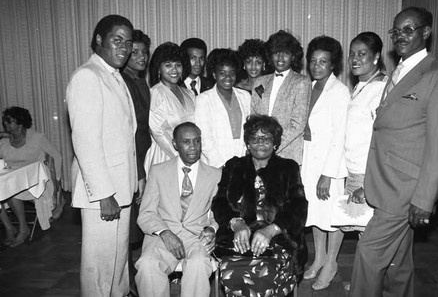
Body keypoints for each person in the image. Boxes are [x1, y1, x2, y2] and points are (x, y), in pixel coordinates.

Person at [349, 7, 438, 297]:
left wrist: (424, 199)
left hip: (405, 189)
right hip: (384, 181)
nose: (400, 36)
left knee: (368, 253)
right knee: (398, 262)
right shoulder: (398, 71)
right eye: (396, 30)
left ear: (425, 33)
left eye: (408, 29)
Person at [66, 14, 137, 296]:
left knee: (118, 265)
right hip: (103, 194)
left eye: (128, 42)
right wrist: (104, 193)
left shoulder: (114, 76)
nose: (124, 48)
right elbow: (85, 141)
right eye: (116, 40)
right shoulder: (87, 76)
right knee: (100, 267)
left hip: (121, 187)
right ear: (98, 40)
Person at [211, 114, 308, 297]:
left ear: (275, 143)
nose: (260, 142)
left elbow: (298, 206)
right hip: (239, 242)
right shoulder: (234, 167)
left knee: (262, 274)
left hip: (279, 240)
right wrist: (237, 223)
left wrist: (271, 230)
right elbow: (219, 202)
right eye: (255, 138)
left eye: (267, 138)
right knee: (235, 274)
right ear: (247, 143)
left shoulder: (288, 168)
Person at [135, 122, 221, 297]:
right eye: (187, 142)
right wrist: (165, 233)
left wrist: (211, 229)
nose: (193, 148)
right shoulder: (158, 171)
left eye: (197, 141)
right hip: (163, 237)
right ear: (175, 144)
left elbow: (219, 214)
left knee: (198, 264)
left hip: (197, 238)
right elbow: (146, 213)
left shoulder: (215, 175)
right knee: (147, 265)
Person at [301, 36, 350, 290]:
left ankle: (331, 262)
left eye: (323, 62)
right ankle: (319, 256)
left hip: (329, 163)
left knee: (332, 214)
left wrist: (328, 174)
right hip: (309, 158)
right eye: (313, 61)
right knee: (315, 212)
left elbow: (340, 136)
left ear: (333, 65)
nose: (317, 66)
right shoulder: (308, 86)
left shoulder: (340, 92)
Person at [0, 106, 62, 247]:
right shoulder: (3, 143)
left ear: (20, 123)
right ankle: (9, 228)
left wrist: (57, 181)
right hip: (14, 179)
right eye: (5, 122)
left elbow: (57, 156)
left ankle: (23, 229)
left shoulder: (37, 138)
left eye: (10, 121)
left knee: (11, 192)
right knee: (6, 188)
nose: (6, 124)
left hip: (37, 180)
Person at [343, 32, 387, 229]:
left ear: (376, 57)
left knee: (368, 230)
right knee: (359, 227)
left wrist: (368, 183)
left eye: (362, 54)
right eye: (352, 54)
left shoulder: (381, 89)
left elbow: (383, 138)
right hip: (354, 170)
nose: (355, 59)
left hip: (367, 173)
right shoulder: (361, 85)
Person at [120, 29, 152, 295]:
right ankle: (128, 282)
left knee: (140, 223)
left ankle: (137, 277)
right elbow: (127, 132)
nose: (141, 57)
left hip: (146, 156)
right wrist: (139, 171)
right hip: (134, 160)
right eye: (136, 52)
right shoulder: (123, 82)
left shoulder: (140, 81)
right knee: (129, 227)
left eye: (144, 52)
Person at [251, 30, 311, 165]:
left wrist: (271, 146)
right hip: (259, 154)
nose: (280, 57)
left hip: (287, 155)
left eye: (285, 53)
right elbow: (253, 118)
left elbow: (297, 124)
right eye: (276, 52)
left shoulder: (301, 82)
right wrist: (258, 147)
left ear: (293, 56)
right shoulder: (260, 81)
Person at [143, 42, 196, 173]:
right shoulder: (156, 93)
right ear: (159, 69)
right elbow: (157, 132)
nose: (174, 70)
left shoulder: (188, 93)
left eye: (178, 65)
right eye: (168, 65)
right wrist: (180, 158)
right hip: (165, 156)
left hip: (190, 155)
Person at [195, 48, 251, 168]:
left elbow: (249, 130)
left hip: (243, 161)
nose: (228, 77)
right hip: (215, 163)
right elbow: (204, 137)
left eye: (232, 73)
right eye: (222, 73)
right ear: (214, 74)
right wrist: (220, 164)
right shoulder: (203, 100)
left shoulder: (245, 96)